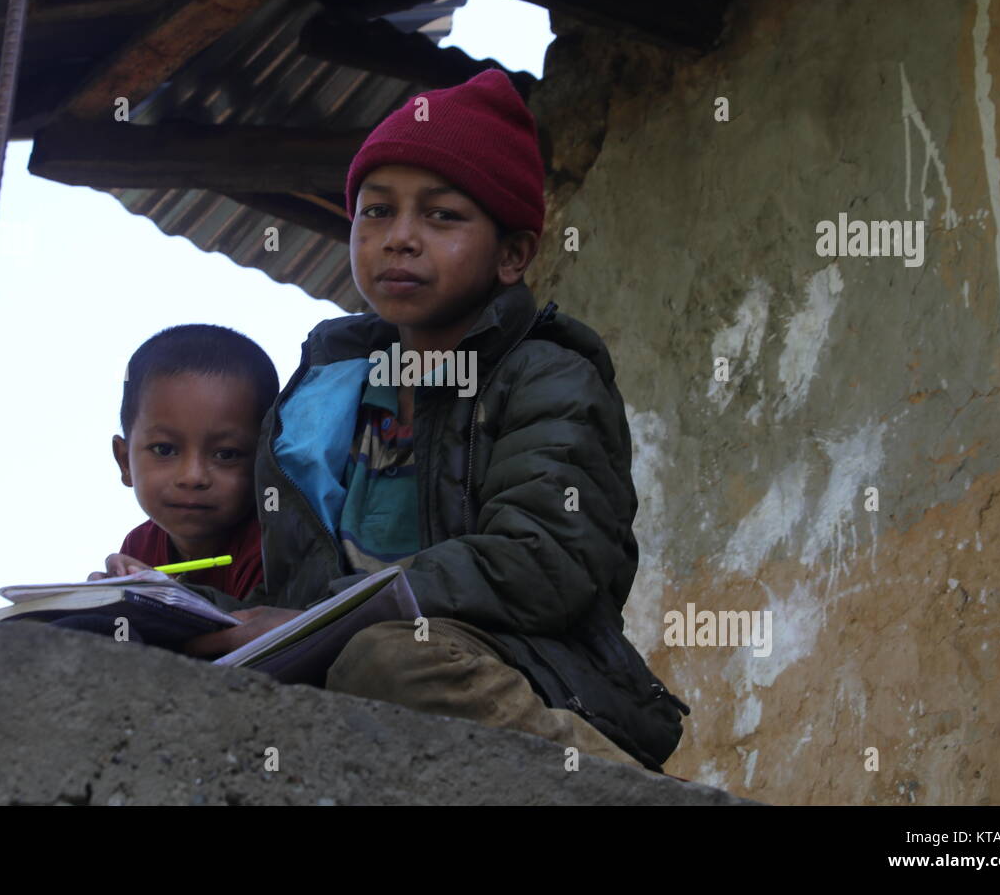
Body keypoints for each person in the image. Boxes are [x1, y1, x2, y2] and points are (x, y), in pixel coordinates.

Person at [180, 69, 689, 772]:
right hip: (337, 661)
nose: (401, 238)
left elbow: (544, 558)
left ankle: (618, 785)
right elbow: (287, 596)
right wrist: (177, 608)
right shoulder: (328, 392)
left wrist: (329, 620)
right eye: (377, 212)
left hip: (520, 673)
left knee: (388, 660)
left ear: (512, 255)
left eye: (442, 216)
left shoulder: (544, 374)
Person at [92, 324, 277, 600]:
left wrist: (162, 598)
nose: (193, 476)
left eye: (226, 454)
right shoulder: (139, 546)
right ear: (124, 461)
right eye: (164, 449)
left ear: (265, 462)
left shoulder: (270, 545)